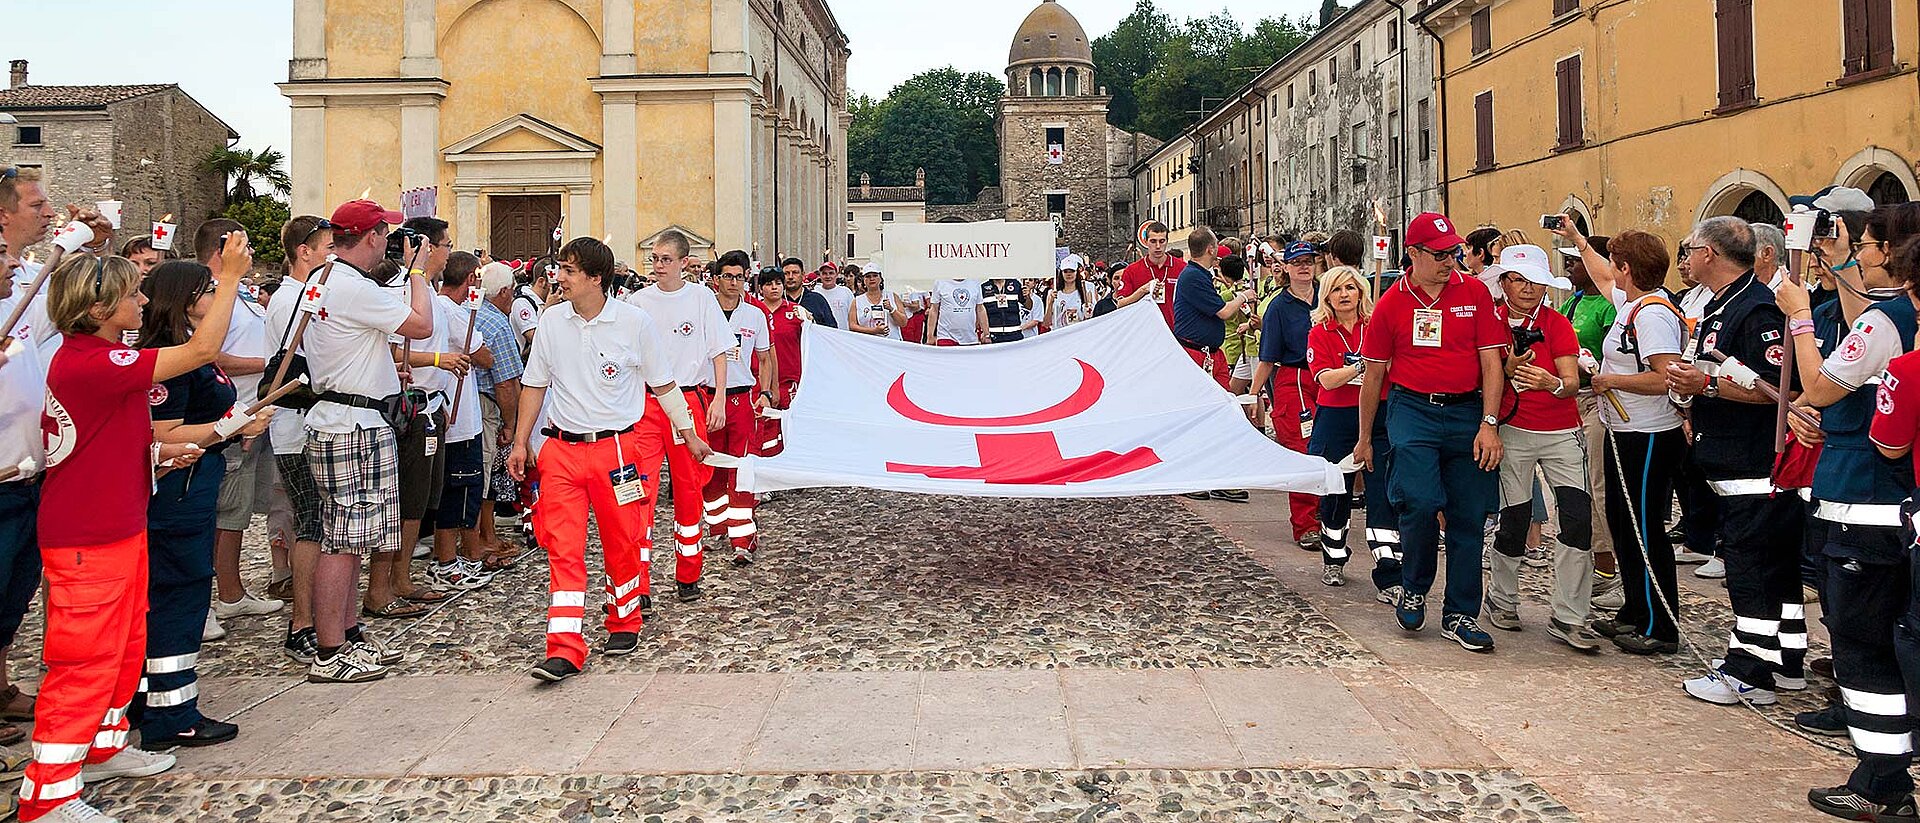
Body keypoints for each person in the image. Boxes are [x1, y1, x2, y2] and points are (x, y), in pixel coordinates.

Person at [22, 239, 248, 822]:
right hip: (88, 535)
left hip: (118, 525)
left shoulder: (100, 359)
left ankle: (103, 745)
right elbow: (202, 349)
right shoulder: (91, 361)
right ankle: (47, 796)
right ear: (99, 309)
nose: (143, 301)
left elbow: (110, 437)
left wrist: (157, 456)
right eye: (132, 294)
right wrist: (228, 278)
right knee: (84, 662)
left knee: (123, 649)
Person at [508, 237, 712, 682]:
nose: (559, 278)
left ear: (595, 278)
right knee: (562, 549)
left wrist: (689, 435)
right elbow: (534, 385)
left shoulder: (634, 323)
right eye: (559, 269)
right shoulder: (551, 322)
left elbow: (664, 385)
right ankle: (564, 648)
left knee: (622, 542)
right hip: (562, 452)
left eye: (568, 270)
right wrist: (520, 442)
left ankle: (624, 619)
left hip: (617, 451)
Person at [1783, 204, 1920, 817]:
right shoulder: (1893, 316)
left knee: (1863, 647)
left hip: (1865, 501)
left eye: (1864, 245)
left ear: (1892, 253)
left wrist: (1799, 319)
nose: (1860, 254)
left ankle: (1882, 782)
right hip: (1892, 503)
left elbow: (1821, 385)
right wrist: (1839, 266)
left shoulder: (1888, 320)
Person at [1664, 216, 1806, 706]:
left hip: (1755, 464)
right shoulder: (1720, 305)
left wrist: (1705, 386)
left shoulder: (1756, 309)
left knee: (1751, 567)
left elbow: (1781, 390)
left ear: (1710, 254)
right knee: (1774, 565)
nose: (1686, 259)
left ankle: (1750, 672)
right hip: (1730, 459)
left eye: (1690, 249)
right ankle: (1787, 661)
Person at [135, 260, 275, 747]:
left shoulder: (189, 349)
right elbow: (163, 433)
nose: (217, 296)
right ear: (185, 298)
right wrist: (230, 427)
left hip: (197, 480)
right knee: (178, 592)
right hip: (179, 488)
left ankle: (153, 702)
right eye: (209, 289)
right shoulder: (171, 356)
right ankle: (170, 713)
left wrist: (235, 423)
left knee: (182, 591)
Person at [1355, 213, 1506, 654]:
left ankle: (1460, 614)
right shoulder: (1392, 303)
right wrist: (1364, 438)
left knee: (1468, 515)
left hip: (1466, 411)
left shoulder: (1474, 292)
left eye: (1453, 253)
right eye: (1439, 255)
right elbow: (1373, 376)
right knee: (1419, 502)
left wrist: (1489, 423)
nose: (1449, 261)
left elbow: (1491, 363)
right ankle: (1414, 586)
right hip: (1412, 408)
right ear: (1414, 254)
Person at [302, 199, 436, 684]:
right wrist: (417, 272)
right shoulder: (352, 286)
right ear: (373, 236)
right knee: (342, 542)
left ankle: (349, 634)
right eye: (385, 234)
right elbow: (422, 325)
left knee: (353, 539)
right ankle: (330, 649)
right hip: (352, 425)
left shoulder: (324, 278)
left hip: (345, 415)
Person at [1554, 226, 1690, 657]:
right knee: (1623, 523)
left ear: (1627, 268)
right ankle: (1635, 610)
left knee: (1644, 528)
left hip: (1648, 434)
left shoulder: (1651, 315)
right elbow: (1601, 276)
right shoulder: (1632, 302)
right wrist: (1579, 241)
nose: (1609, 269)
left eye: (1614, 261)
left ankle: (1660, 625)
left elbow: (1667, 376)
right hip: (1625, 431)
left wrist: (1609, 380)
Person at [1481, 245, 1602, 652]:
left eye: (1536, 281)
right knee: (1514, 520)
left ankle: (1570, 616)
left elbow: (1571, 382)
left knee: (1577, 519)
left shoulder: (1556, 323)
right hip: (1512, 430)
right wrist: (1510, 369)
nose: (1528, 288)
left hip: (1561, 431)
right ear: (1504, 282)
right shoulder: (1490, 322)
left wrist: (1552, 384)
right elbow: (1484, 377)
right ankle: (1501, 599)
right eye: (1519, 280)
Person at [185, 220, 287, 639]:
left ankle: (231, 591)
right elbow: (211, 355)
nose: (251, 254)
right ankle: (201, 601)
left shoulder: (236, 294)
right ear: (224, 248)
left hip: (248, 415)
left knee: (235, 513)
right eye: (244, 245)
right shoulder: (203, 295)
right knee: (214, 513)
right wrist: (271, 366)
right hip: (224, 418)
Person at [624, 230, 731, 602]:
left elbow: (719, 351)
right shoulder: (638, 301)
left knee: (689, 488)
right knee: (642, 491)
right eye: (654, 258)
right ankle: (638, 583)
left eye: (666, 259)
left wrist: (718, 398)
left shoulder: (701, 298)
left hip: (688, 398)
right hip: (649, 404)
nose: (658, 265)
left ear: (684, 262)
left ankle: (688, 573)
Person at [1297, 266, 1402, 594]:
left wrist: (1376, 365)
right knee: (1335, 494)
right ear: (1327, 296)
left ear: (1361, 292)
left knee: (1383, 493)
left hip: (1379, 415)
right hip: (1336, 418)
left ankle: (1389, 573)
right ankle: (1334, 557)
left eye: (1350, 288)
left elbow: (1394, 368)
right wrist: (1363, 365)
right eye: (1336, 289)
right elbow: (1326, 380)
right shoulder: (1320, 333)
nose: (1344, 294)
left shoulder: (1377, 326)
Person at [264, 214, 334, 662]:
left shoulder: (307, 294)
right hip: (296, 427)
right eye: (327, 248)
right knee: (310, 521)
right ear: (304, 252)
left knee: (320, 522)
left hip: (310, 424)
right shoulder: (293, 299)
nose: (333, 256)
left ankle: (321, 616)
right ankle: (302, 622)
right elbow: (306, 362)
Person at [1552, 232, 1625, 609]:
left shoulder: (1609, 307)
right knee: (1577, 485)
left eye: (1576, 260)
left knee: (1598, 485)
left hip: (1600, 402)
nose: (1569, 265)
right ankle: (1594, 562)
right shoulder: (1574, 301)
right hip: (1571, 401)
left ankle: (1612, 567)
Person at [426, 251, 496, 608]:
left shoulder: (441, 308)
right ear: (471, 280)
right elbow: (485, 356)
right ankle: (448, 562)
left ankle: (453, 558)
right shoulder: (451, 311)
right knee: (459, 491)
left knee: (457, 490)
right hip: (458, 420)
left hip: (458, 412)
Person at [704, 250, 776, 564]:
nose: (733, 282)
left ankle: (743, 538)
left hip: (741, 399)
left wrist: (766, 393)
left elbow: (765, 358)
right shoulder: (704, 311)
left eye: (739, 277)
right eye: (727, 276)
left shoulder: (754, 315)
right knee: (710, 468)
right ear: (716, 279)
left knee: (741, 467)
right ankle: (716, 526)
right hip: (707, 397)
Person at [1250, 241, 1324, 533]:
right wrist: (1253, 395)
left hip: (1332, 378)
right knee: (1302, 447)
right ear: (1287, 268)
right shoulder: (1278, 307)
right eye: (1298, 262)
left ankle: (1329, 513)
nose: (1304, 267)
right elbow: (1267, 358)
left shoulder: (1328, 295)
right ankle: (1306, 523)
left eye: (1308, 261)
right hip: (1295, 379)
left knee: (1331, 446)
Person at [472, 261, 526, 570]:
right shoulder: (497, 323)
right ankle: (482, 538)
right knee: (485, 473)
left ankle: (484, 534)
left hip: (466, 403)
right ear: (504, 292)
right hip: (486, 405)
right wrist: (511, 424)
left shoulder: (470, 311)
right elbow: (506, 382)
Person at [1115, 221, 1181, 325]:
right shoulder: (1131, 270)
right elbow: (1120, 304)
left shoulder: (1182, 267)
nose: (1158, 246)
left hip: (1173, 330)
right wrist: (1142, 290)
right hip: (1143, 330)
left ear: (1167, 241)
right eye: (1153, 241)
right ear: (1146, 242)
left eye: (1162, 241)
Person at [849, 266, 907, 340]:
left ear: (880, 278)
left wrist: (891, 309)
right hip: (868, 343)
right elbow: (852, 326)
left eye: (875, 275)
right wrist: (874, 331)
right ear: (864, 280)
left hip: (891, 342)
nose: (872, 279)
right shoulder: (857, 301)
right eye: (868, 276)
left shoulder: (893, 296)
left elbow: (903, 323)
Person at [931, 275, 989, 346]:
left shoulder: (975, 282)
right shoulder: (940, 281)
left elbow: (980, 309)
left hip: (970, 338)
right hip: (946, 336)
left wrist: (986, 334)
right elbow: (934, 310)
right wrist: (930, 335)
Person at [782, 258, 837, 328]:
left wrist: (812, 321)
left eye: (795, 272)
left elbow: (832, 329)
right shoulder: (776, 300)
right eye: (786, 273)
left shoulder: (817, 300)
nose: (790, 277)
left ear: (803, 275)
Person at [1049, 257, 1096, 331]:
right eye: (1065, 271)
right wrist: (1050, 303)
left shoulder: (1086, 292)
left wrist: (1089, 311)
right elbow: (1046, 323)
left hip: (1079, 334)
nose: (1069, 274)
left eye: (1072, 271)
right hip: (1060, 334)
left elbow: (1092, 319)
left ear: (1076, 272)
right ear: (1061, 273)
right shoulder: (1053, 293)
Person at [812, 262, 855, 329]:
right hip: (822, 333)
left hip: (843, 333)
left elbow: (853, 316)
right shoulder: (814, 293)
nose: (828, 276)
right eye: (824, 273)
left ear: (836, 275)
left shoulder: (846, 292)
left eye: (831, 273)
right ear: (820, 275)